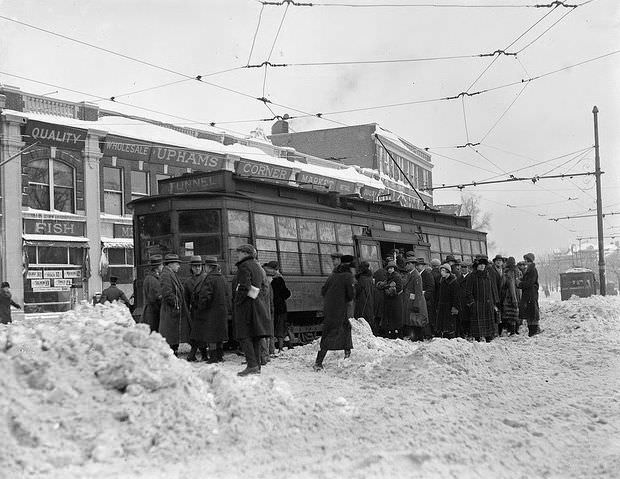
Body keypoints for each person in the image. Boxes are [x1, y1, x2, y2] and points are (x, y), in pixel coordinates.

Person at [232, 243, 272, 376]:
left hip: (246, 307)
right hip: (257, 305)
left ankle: (252, 365)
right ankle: (257, 365)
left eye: (239, 253)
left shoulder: (244, 266)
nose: (237, 255)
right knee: (254, 336)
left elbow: (244, 286)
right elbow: (259, 287)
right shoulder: (256, 266)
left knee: (244, 336)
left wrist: (237, 301)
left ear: (245, 253)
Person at [313, 254, 355, 371]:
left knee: (344, 328)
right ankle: (318, 362)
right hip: (339, 309)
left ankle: (347, 354)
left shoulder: (333, 275)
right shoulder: (348, 276)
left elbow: (323, 290)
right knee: (332, 334)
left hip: (329, 309)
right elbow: (350, 295)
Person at [196, 256, 229, 363]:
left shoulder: (209, 278)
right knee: (219, 334)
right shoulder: (222, 278)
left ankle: (213, 357)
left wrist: (200, 307)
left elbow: (205, 296)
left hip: (211, 311)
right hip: (222, 311)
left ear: (208, 267)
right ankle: (220, 356)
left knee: (212, 335)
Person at [159, 254, 190, 356]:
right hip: (171, 310)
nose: (179, 266)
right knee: (170, 333)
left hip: (173, 310)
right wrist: (176, 303)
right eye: (177, 264)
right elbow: (167, 292)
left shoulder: (170, 273)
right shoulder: (166, 274)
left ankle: (173, 351)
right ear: (171, 264)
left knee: (173, 333)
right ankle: (172, 353)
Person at [464, 255, 499, 342]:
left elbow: (492, 290)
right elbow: (468, 292)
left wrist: (493, 303)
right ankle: (477, 342)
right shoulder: (472, 276)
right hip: (477, 305)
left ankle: (489, 340)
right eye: (480, 264)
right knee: (477, 329)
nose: (482, 266)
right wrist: (472, 303)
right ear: (476, 266)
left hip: (488, 305)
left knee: (488, 328)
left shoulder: (488, 276)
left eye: (484, 264)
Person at [263, 261, 291, 355]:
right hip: (280, 307)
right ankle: (280, 347)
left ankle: (271, 348)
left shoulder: (265, 277)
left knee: (271, 327)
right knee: (281, 327)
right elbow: (285, 293)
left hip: (269, 306)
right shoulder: (279, 279)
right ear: (276, 268)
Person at [184, 256, 207, 362]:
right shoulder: (188, 281)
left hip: (204, 309)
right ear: (191, 268)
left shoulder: (206, 278)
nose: (197, 268)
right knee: (195, 332)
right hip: (194, 311)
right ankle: (199, 354)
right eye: (195, 266)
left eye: (199, 266)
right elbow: (186, 298)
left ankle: (199, 354)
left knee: (201, 333)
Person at [401, 256, 428, 341]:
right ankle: (415, 337)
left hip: (414, 301)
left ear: (413, 264)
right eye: (407, 264)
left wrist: (417, 304)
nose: (407, 266)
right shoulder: (410, 274)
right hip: (410, 300)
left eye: (408, 264)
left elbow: (418, 292)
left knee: (416, 320)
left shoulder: (416, 276)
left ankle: (418, 338)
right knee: (412, 320)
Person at [376, 261, 403, 339]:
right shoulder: (388, 276)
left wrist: (386, 287)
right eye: (388, 268)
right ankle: (391, 333)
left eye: (391, 268)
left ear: (394, 269)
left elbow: (399, 288)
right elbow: (382, 286)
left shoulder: (397, 276)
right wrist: (387, 286)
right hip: (389, 300)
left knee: (396, 317)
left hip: (395, 300)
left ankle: (397, 334)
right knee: (390, 317)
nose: (390, 270)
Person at [517, 253, 541, 337]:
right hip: (529, 294)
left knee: (532, 313)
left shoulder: (532, 270)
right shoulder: (530, 269)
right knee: (530, 313)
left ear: (528, 260)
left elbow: (530, 283)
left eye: (526, 260)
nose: (525, 261)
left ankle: (533, 331)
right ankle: (532, 331)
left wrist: (520, 284)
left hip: (530, 294)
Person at [435, 264, 460, 338]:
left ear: (448, 271)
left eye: (443, 271)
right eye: (441, 270)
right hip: (442, 306)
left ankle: (451, 338)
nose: (441, 272)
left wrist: (455, 307)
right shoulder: (442, 281)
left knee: (450, 325)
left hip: (449, 307)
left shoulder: (453, 282)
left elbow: (456, 296)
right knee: (442, 325)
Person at [142, 254, 164, 332]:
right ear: (157, 267)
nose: (162, 267)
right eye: (161, 265)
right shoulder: (153, 280)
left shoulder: (149, 278)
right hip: (152, 314)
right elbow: (155, 298)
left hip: (149, 312)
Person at [354, 260, 375, 332]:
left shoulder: (362, 278)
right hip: (369, 299)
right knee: (369, 316)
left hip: (362, 300)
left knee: (361, 316)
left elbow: (358, 290)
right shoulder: (370, 277)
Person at [501, 257, 520, 335]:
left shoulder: (507, 273)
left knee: (511, 313)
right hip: (517, 293)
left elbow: (508, 285)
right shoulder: (517, 271)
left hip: (509, 295)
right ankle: (515, 330)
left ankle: (512, 330)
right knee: (515, 312)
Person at [488, 255, 506, 335]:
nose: (499, 262)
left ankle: (500, 330)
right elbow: (493, 284)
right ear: (494, 262)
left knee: (502, 313)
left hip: (503, 295)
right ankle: (496, 331)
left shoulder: (504, 271)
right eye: (497, 260)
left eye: (500, 260)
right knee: (496, 312)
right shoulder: (492, 270)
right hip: (495, 294)